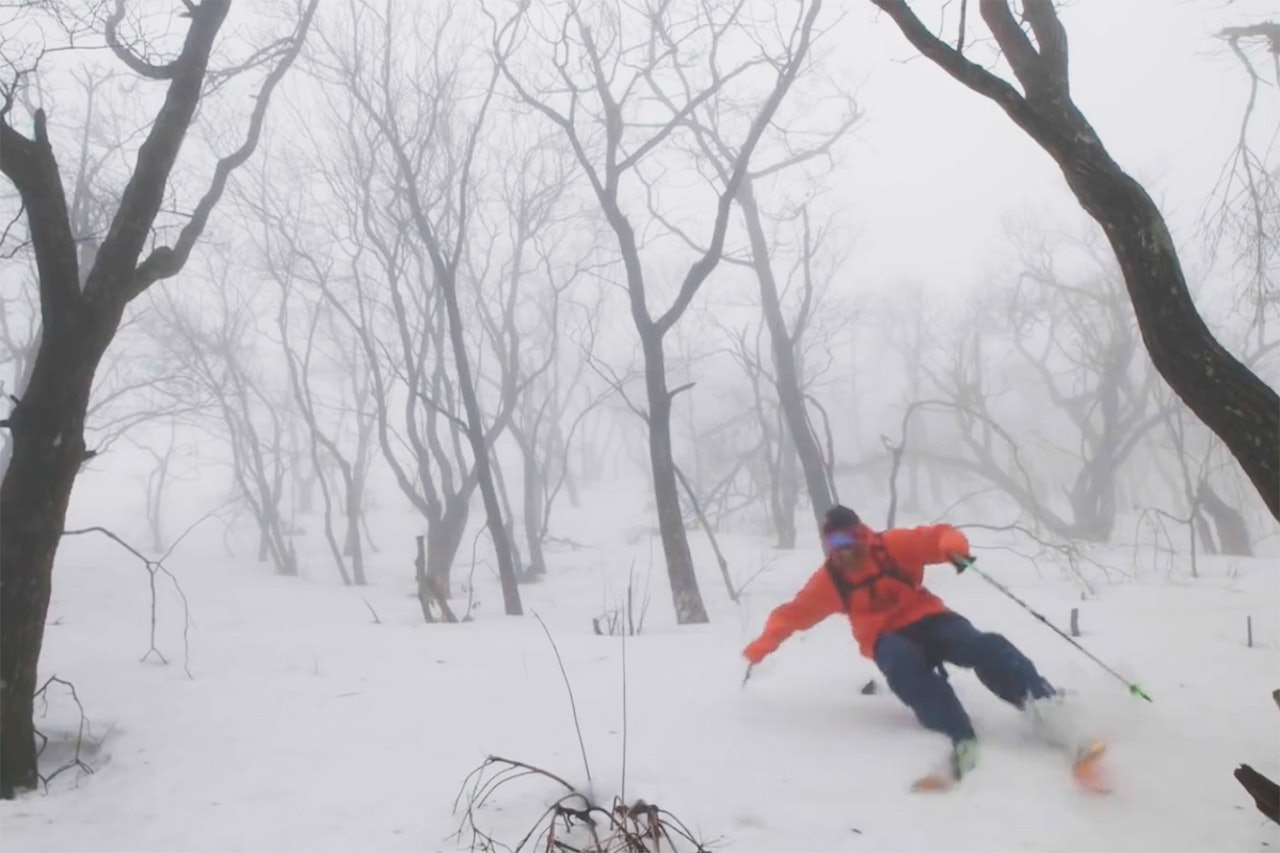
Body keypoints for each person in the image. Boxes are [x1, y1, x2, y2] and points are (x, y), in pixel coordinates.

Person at [742, 504, 1088, 785]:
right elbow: (793, 614)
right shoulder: (829, 581)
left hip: (930, 617)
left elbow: (938, 536)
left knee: (979, 645)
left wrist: (953, 549)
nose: (844, 551)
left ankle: (1046, 706)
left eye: (848, 540)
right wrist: (762, 646)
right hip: (884, 637)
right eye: (835, 546)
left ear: (861, 532)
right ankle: (957, 733)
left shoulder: (892, 547)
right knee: (902, 662)